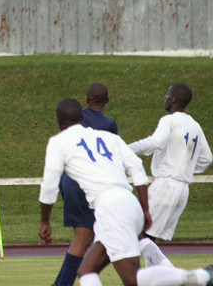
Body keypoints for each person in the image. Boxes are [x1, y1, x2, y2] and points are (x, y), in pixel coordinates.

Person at [38, 98, 213, 286]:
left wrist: (45, 221)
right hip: (130, 203)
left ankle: (200, 276)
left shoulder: (59, 142)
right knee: (86, 270)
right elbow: (137, 169)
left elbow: (49, 186)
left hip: (110, 208)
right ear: (82, 118)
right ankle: (196, 276)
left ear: (58, 121)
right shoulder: (109, 138)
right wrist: (145, 209)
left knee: (131, 278)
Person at [129, 83, 212, 268]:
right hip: (183, 189)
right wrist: (185, 168)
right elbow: (207, 158)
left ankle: (172, 273)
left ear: (174, 99)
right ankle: (153, 279)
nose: (165, 98)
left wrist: (125, 150)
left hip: (165, 185)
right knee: (150, 237)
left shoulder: (169, 120)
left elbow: (155, 142)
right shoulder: (195, 125)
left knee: (137, 234)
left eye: (167, 94)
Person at [53, 82, 118, 286]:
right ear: (108, 100)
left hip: (67, 179)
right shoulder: (109, 125)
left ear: (86, 100)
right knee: (84, 238)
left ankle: (61, 282)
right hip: (89, 183)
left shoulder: (75, 116)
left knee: (84, 238)